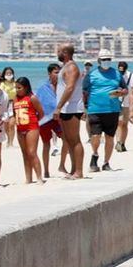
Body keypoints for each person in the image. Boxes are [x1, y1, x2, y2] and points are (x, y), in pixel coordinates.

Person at [82, 49, 128, 172]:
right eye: (104, 60)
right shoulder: (91, 75)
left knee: (109, 137)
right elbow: (84, 92)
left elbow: (125, 89)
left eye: (108, 59)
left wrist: (122, 92)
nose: (106, 62)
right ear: (98, 61)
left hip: (112, 110)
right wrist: (84, 108)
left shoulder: (117, 74)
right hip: (95, 110)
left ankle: (106, 163)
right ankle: (95, 153)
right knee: (95, 136)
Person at [54, 43, 85, 179]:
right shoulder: (65, 67)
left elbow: (70, 88)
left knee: (75, 139)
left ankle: (79, 171)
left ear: (65, 52)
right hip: (66, 109)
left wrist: (59, 106)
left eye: (59, 50)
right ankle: (73, 170)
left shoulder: (72, 67)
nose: (57, 53)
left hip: (72, 107)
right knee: (68, 140)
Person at [36, 63, 69, 178]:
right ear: (49, 73)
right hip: (45, 119)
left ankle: (62, 165)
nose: (58, 75)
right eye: (56, 72)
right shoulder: (42, 87)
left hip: (59, 118)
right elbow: (37, 103)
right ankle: (46, 170)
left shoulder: (63, 86)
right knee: (46, 144)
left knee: (66, 140)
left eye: (60, 72)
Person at [13, 77, 44, 184]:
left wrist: (34, 122)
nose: (17, 90)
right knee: (24, 153)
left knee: (32, 153)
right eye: (16, 88)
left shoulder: (32, 98)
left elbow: (41, 112)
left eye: (19, 88)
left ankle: (39, 177)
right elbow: (14, 113)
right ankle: (28, 178)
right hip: (19, 129)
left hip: (31, 127)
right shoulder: (15, 99)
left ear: (26, 87)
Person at [115, 61, 132, 152]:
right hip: (117, 102)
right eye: (119, 69)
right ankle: (118, 142)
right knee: (119, 122)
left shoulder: (130, 76)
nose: (121, 72)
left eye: (122, 70)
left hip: (127, 103)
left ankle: (122, 143)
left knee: (125, 124)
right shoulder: (115, 75)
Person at [0, 66, 17, 147]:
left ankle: (11, 142)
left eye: (10, 73)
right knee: (6, 125)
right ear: (4, 74)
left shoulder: (16, 83)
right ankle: (8, 139)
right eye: (7, 73)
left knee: (12, 124)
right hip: (4, 104)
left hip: (13, 104)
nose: (9, 75)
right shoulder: (1, 83)